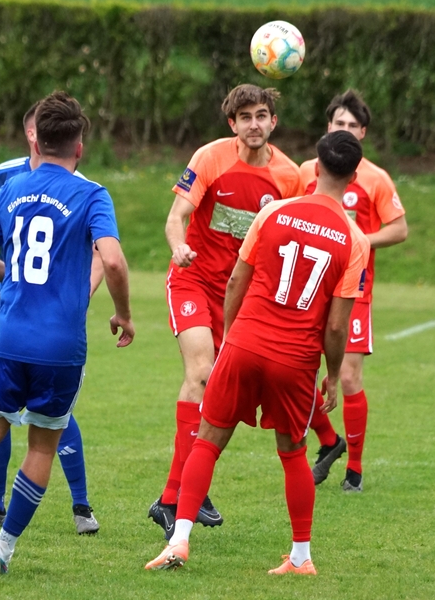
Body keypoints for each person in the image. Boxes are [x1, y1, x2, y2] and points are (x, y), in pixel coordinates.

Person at [145, 130, 369, 573]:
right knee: (293, 453)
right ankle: (301, 556)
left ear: (315, 168)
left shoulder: (273, 213)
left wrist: (231, 337)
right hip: (295, 360)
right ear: (354, 176)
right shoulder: (355, 239)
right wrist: (330, 374)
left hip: (245, 343)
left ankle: (179, 539)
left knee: (208, 440)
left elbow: (235, 282)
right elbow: (336, 325)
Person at [0, 91, 134, 576]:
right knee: (42, 446)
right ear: (79, 146)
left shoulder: (10, 188)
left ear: (36, 141)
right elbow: (111, 260)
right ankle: (1, 549)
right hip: (61, 347)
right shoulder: (92, 194)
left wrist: (19, 276)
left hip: (8, 337)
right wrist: (123, 314)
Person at [150, 83, 304, 539]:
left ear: (273, 121)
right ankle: (178, 497)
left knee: (221, 395)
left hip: (241, 297)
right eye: (245, 117)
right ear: (232, 124)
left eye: (261, 116)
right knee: (201, 373)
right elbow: (175, 217)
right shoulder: (210, 158)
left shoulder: (289, 178)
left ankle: (175, 496)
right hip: (193, 280)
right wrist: (179, 248)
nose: (254, 124)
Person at [299, 89, 408, 492]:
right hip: (310, 286)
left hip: (355, 289)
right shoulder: (306, 171)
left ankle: (355, 470)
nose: (344, 129)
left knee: (347, 377)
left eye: (352, 125)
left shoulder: (375, 178)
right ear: (327, 127)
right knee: (295, 374)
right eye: (338, 123)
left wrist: (358, 240)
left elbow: (399, 228)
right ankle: (329, 440)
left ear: (363, 132)